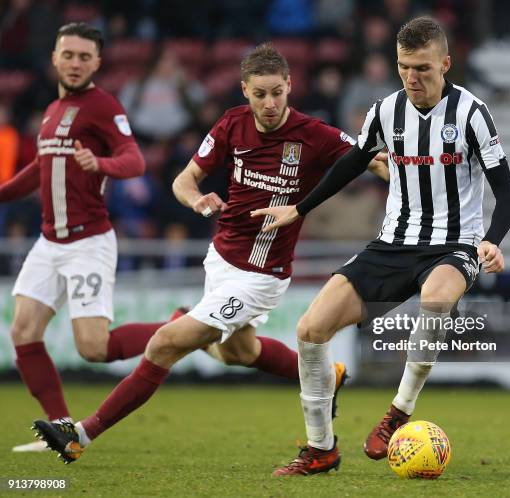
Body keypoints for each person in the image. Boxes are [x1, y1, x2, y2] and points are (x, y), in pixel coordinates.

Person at [31, 42, 388, 463]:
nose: (270, 103)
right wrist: (196, 199)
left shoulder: (315, 134)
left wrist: (401, 173)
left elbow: (372, 160)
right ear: (244, 91)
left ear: (290, 85)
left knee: (166, 343)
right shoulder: (232, 124)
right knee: (238, 352)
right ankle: (324, 376)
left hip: (260, 275)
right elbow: (184, 180)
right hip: (220, 260)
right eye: (260, 94)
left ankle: (80, 435)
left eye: (277, 92)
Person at [249, 16, 510, 475]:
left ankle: (398, 411)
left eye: (422, 68)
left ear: (445, 64)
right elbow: (349, 166)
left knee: (435, 299)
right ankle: (320, 449)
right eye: (403, 67)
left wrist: (491, 241)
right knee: (310, 330)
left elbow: (508, 194)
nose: (412, 78)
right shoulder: (385, 111)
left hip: (454, 244)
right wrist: (299, 208)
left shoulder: (472, 114)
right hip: (392, 243)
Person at [0, 22, 170, 453]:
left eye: (84, 56)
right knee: (23, 330)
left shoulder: (102, 106)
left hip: (87, 243)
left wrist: (101, 164)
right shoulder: (52, 110)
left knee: (93, 348)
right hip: (49, 242)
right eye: (68, 55)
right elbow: (37, 172)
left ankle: (178, 327)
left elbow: (134, 161)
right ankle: (62, 431)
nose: (75, 63)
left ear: (97, 62)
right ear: (54, 58)